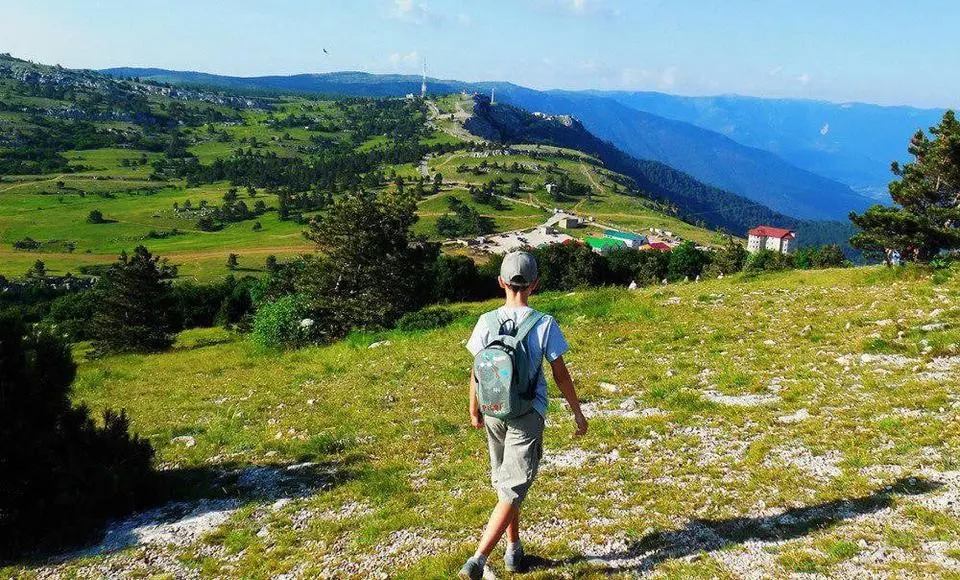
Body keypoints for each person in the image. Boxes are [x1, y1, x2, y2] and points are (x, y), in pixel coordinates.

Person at [459, 251, 588, 579]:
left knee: (505, 485)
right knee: (513, 488)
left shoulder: (485, 321)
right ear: (535, 285)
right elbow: (561, 375)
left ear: (500, 282)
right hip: (528, 413)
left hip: (493, 411)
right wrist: (577, 413)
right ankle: (478, 559)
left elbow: (475, 371)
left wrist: (474, 409)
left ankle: (514, 551)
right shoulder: (544, 323)